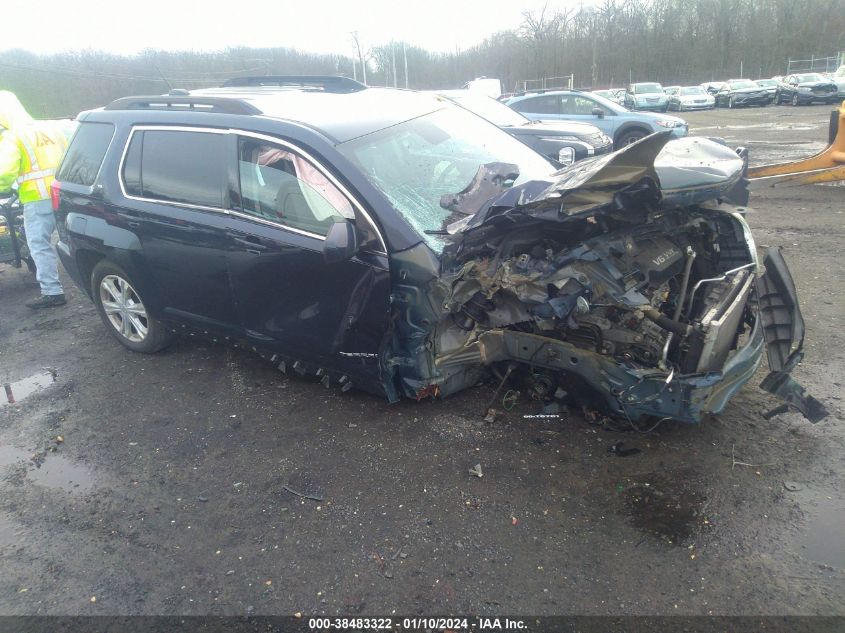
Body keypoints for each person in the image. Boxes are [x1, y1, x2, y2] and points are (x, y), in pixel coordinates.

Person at [0, 91, 70, 309]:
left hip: (37, 199)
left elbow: (3, 173)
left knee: (39, 245)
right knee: (70, 239)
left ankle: (52, 292)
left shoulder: (13, 136)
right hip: (63, 194)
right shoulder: (51, 129)